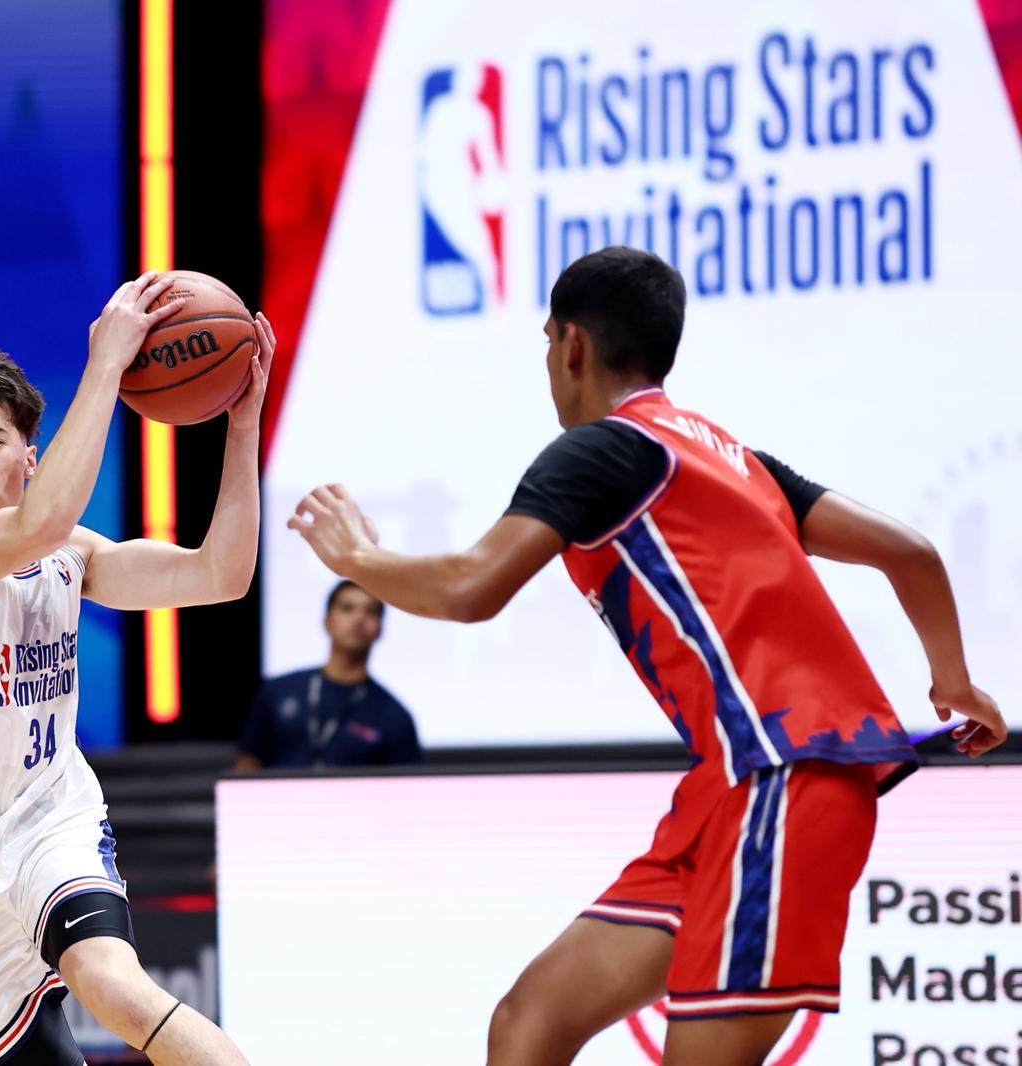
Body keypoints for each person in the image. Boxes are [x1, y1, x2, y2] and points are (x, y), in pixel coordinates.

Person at [286, 245, 1008, 1066]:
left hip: (785, 776)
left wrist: (356, 559)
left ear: (571, 348)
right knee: (528, 1024)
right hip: (730, 788)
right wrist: (956, 683)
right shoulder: (733, 457)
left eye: (547, 343)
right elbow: (912, 552)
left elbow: (470, 589)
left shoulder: (602, 450)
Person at [0, 275, 265, 1064]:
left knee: (114, 984)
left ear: (31, 456)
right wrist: (105, 365)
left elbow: (221, 575)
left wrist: (240, 425)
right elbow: (38, 524)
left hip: (51, 823)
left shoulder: (72, 555)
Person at [235, 579, 419, 769]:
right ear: (327, 621)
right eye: (347, 608)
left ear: (380, 628)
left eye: (370, 611)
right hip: (278, 799)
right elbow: (247, 765)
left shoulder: (395, 716)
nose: (359, 618)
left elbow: (406, 791)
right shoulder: (278, 691)